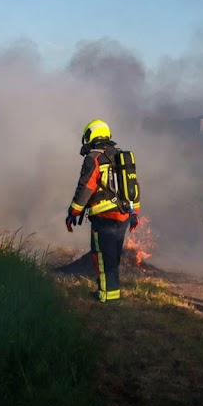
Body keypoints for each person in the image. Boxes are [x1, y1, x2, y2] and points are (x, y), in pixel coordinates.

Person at [65, 119, 140, 303]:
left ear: (91, 135)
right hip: (123, 215)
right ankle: (111, 292)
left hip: (104, 216)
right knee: (113, 255)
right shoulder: (119, 156)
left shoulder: (94, 158)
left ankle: (107, 296)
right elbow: (133, 185)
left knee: (101, 255)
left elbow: (86, 187)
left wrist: (73, 212)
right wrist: (134, 213)